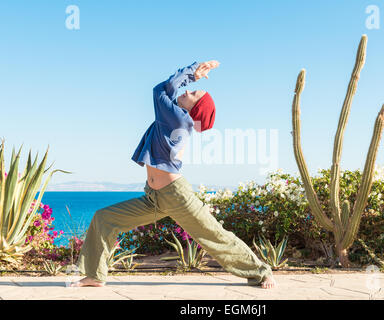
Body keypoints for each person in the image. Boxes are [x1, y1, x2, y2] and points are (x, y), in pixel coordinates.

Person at [71, 61, 276, 289]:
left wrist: (190, 74)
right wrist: (192, 77)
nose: (186, 91)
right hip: (154, 198)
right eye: (190, 88)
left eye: (193, 94)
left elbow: (159, 90)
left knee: (214, 235)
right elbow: (166, 91)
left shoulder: (178, 118)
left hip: (176, 196)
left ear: (194, 109)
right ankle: (95, 276)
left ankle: (262, 271)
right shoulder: (175, 118)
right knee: (104, 218)